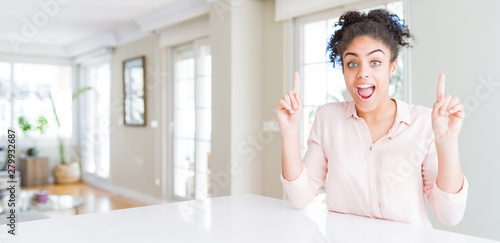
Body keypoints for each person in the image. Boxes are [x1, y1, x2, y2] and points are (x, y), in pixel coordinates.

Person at [276, 9, 468, 228]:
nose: (362, 73)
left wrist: (447, 143)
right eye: (352, 63)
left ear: (392, 67)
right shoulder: (327, 118)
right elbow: (300, 197)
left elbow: (450, 216)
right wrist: (289, 132)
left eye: (375, 62)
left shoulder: (424, 123)